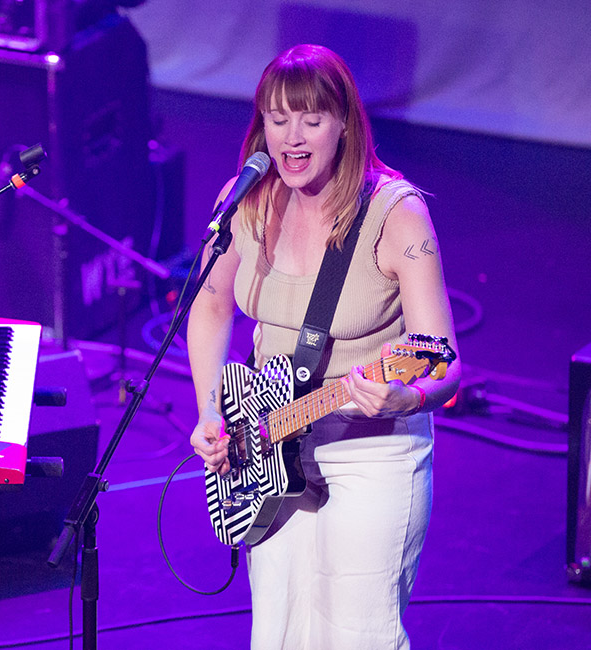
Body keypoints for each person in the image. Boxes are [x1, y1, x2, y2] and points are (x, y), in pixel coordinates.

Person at [187, 44, 461, 649]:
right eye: (278, 119)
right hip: (264, 445)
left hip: (370, 449)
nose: (292, 137)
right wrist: (211, 410)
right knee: (279, 632)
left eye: (311, 120)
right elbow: (209, 304)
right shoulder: (246, 198)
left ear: (345, 125)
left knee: (357, 634)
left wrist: (408, 397)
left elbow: (444, 360)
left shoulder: (397, 215)